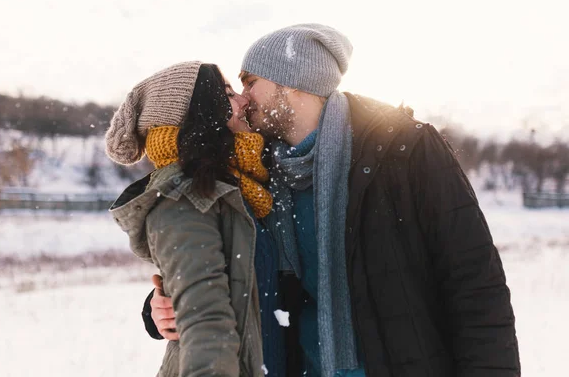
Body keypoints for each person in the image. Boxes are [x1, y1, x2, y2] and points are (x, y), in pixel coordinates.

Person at [146, 24, 521, 377]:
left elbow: (474, 283)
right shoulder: (256, 173)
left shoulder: (402, 149)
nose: (242, 99)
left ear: (293, 83)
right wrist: (159, 308)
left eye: (250, 82)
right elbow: (226, 264)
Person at [105, 61, 286, 376]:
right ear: (202, 113)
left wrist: (162, 303)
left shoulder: (246, 188)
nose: (244, 101)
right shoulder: (185, 198)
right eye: (229, 94)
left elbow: (238, 278)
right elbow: (207, 324)